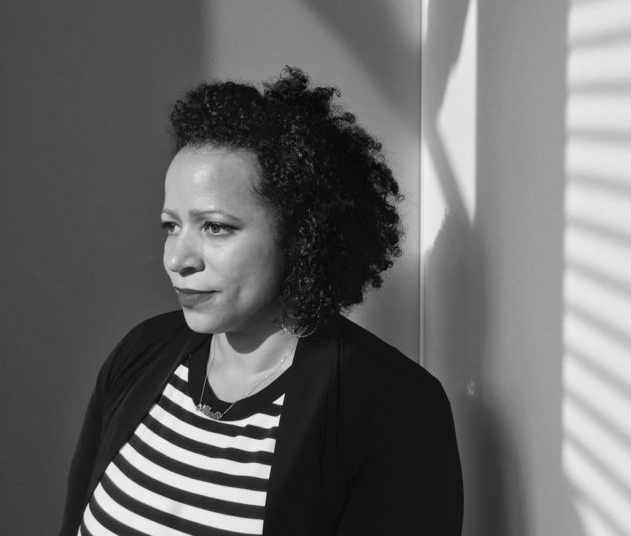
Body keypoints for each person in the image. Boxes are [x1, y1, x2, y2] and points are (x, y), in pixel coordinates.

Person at [61, 67, 463, 536]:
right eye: (172, 225)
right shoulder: (139, 354)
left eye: (215, 227)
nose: (177, 258)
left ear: (300, 234)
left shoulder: (393, 407)